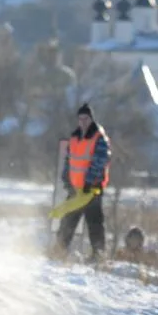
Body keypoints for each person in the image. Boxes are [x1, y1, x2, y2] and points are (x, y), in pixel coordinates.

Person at [55, 103, 112, 259]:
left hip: (92, 190)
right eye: (80, 119)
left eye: (85, 118)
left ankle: (98, 255)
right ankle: (59, 251)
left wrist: (89, 181)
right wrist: (66, 179)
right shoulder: (74, 137)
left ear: (91, 119)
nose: (82, 122)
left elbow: (100, 161)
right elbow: (69, 160)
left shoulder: (99, 138)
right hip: (75, 189)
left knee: (94, 224)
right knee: (67, 221)